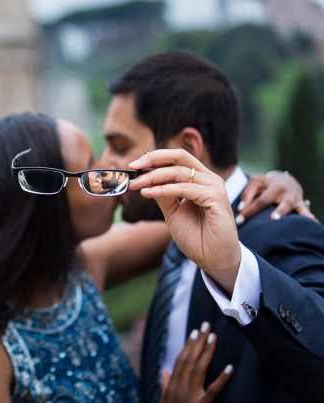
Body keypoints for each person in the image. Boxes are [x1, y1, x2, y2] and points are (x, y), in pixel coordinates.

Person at [0, 112, 235, 402]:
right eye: (92, 168)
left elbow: (197, 227)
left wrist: (262, 185)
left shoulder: (80, 266)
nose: (111, 177)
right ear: (42, 199)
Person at [101, 49, 324, 401]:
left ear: (188, 146)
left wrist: (233, 269)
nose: (104, 164)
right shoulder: (172, 232)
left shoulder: (286, 226)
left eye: (120, 146)